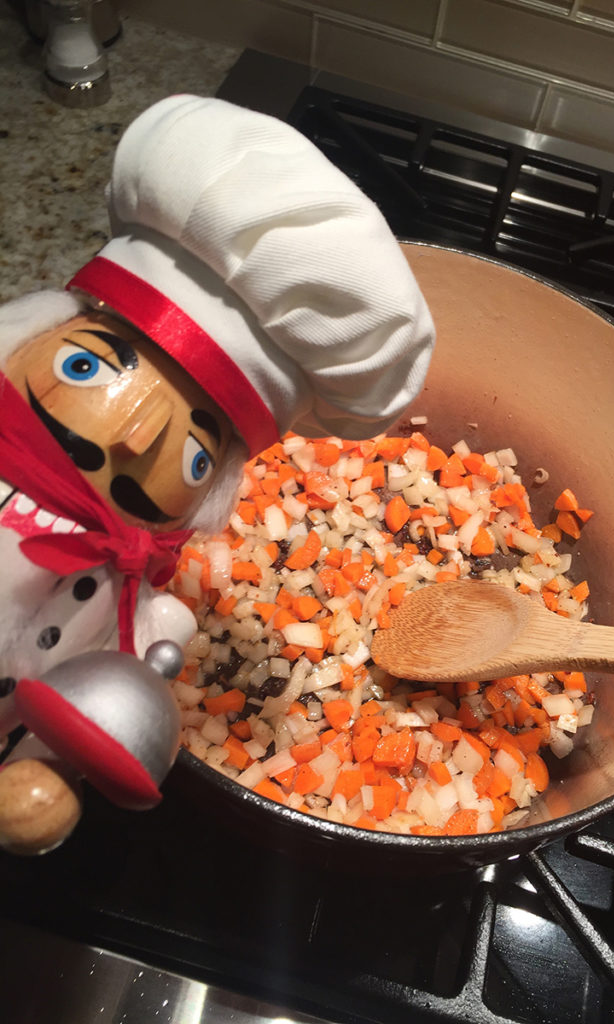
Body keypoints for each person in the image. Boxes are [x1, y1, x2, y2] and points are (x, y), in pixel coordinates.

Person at [0, 94, 435, 853]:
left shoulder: (137, 586)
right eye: (88, 365)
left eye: (196, 451)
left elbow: (97, 700)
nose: (136, 434)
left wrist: (50, 772)